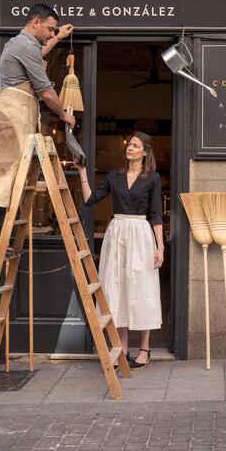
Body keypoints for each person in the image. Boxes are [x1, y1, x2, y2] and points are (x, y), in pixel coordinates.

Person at [0, 3, 75, 258]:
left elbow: (39, 52)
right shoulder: (25, 46)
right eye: (51, 29)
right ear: (35, 22)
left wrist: (60, 37)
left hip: (15, 112)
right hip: (13, 113)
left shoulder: (23, 44)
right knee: (7, 173)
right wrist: (64, 116)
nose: (52, 34)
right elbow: (46, 91)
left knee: (12, 172)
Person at [74, 132, 164, 370]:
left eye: (136, 145)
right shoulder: (116, 175)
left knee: (143, 288)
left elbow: (156, 215)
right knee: (117, 287)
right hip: (117, 234)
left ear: (145, 152)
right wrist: (83, 173)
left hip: (141, 233)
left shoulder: (153, 178)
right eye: (129, 145)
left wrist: (160, 247)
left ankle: (144, 348)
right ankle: (122, 347)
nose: (130, 148)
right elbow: (91, 200)